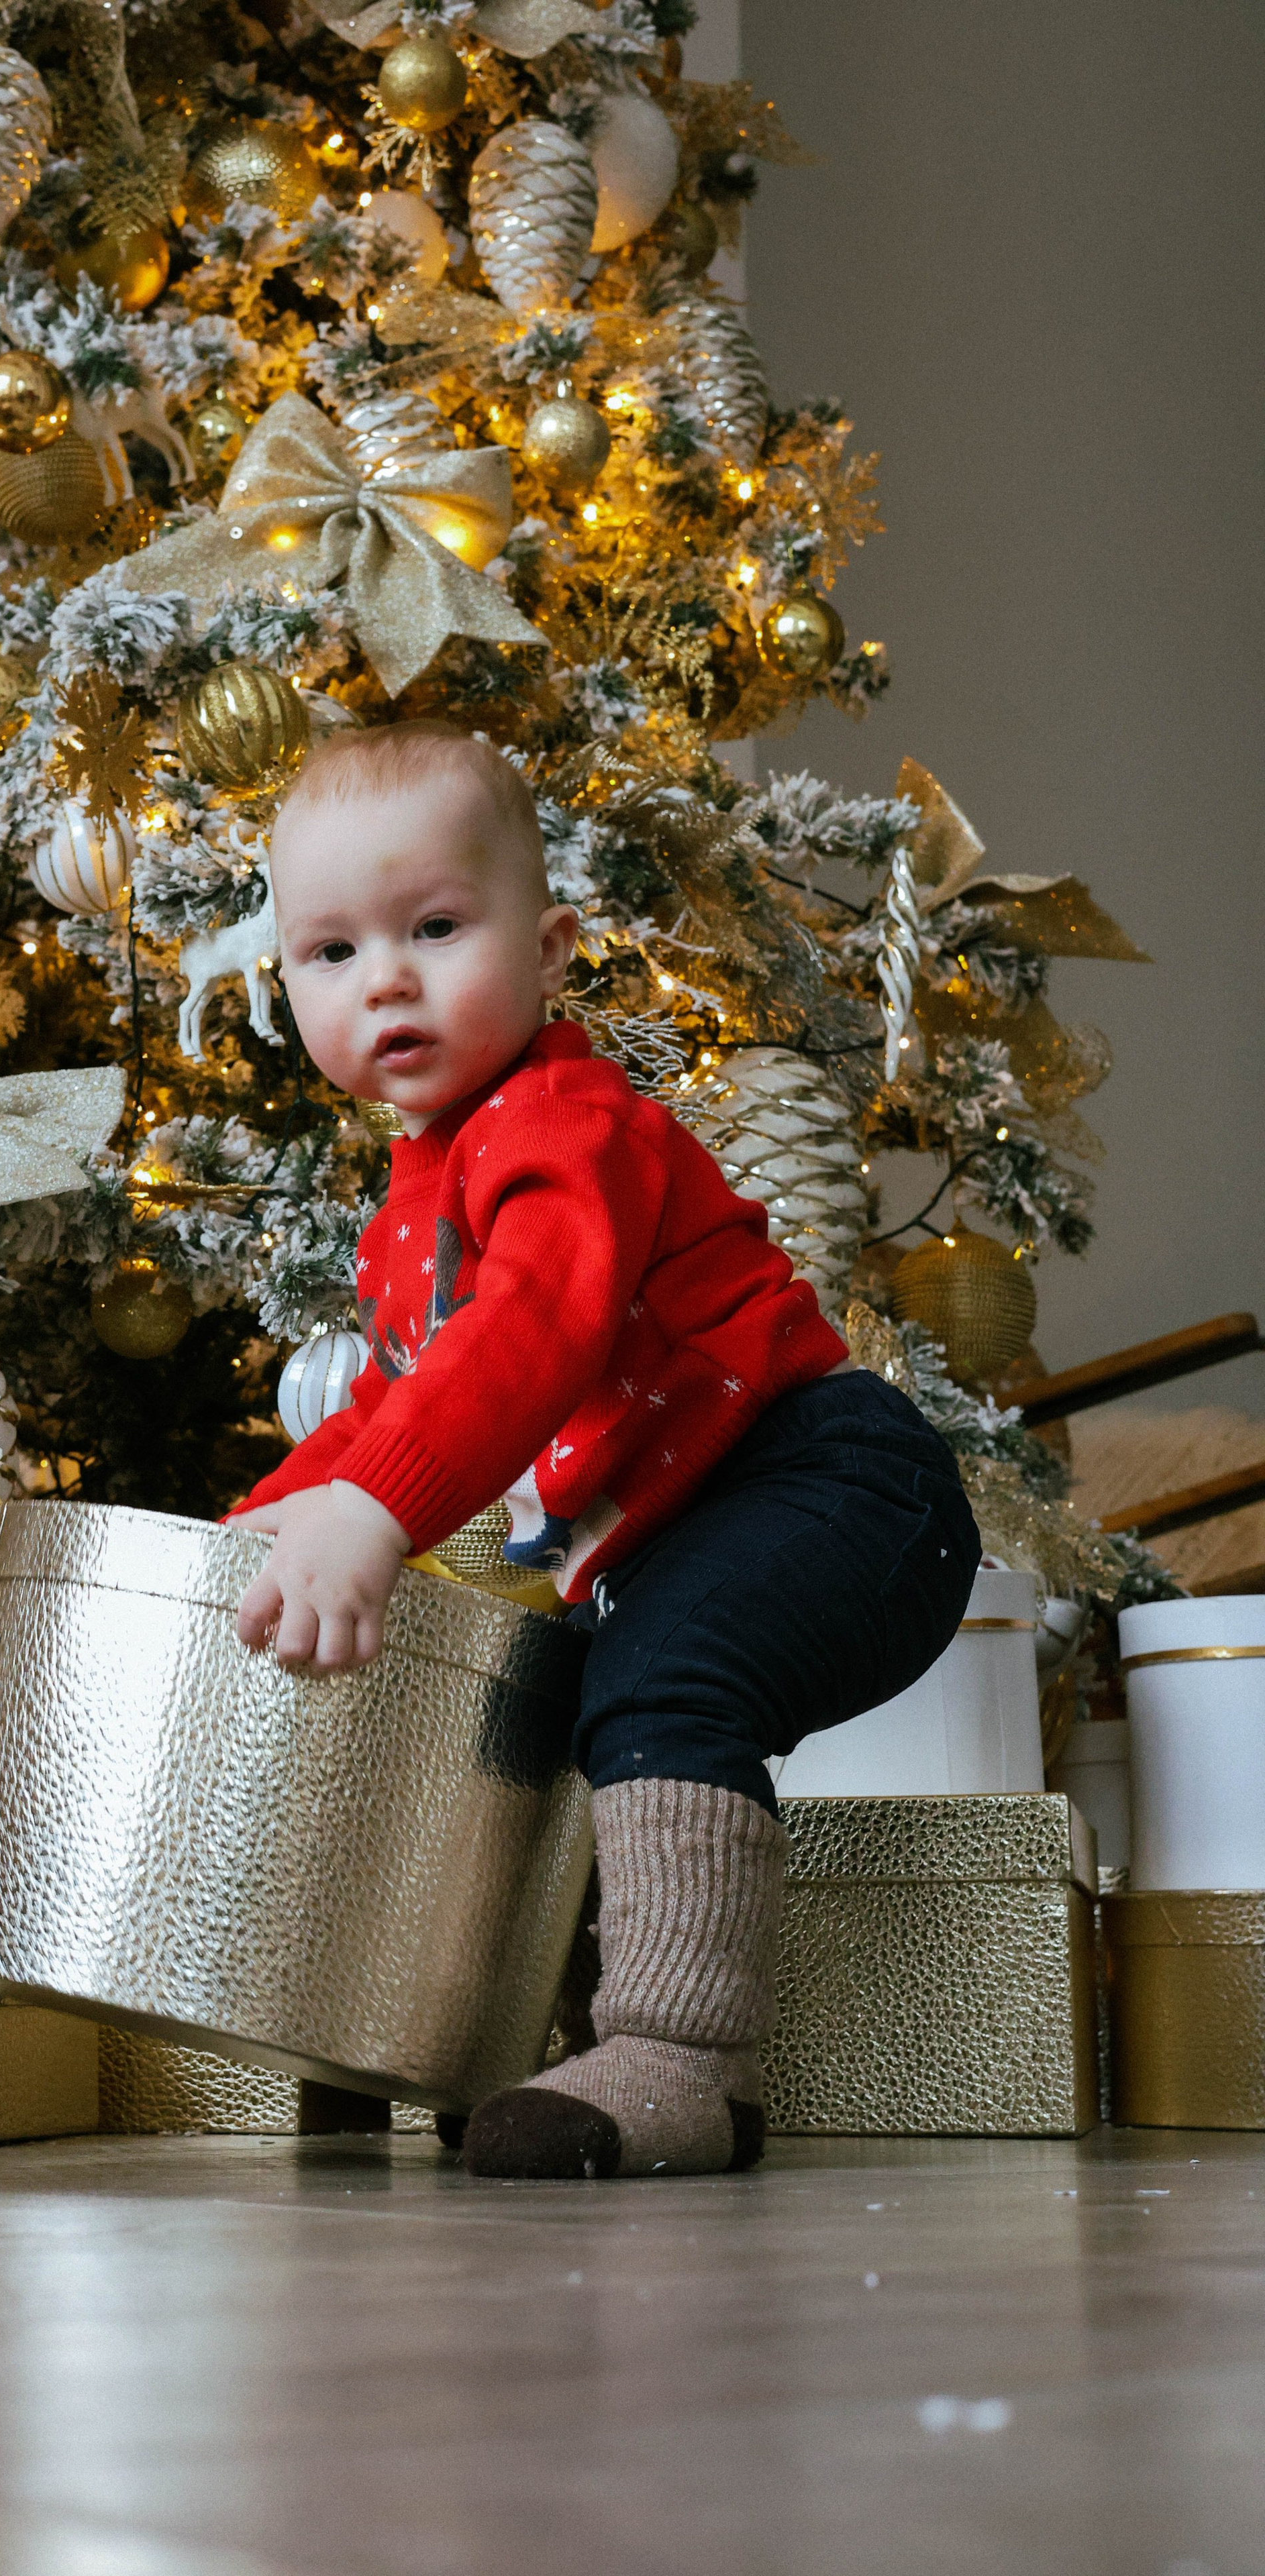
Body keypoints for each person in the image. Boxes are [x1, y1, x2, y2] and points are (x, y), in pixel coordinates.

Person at [227, 720, 980, 2182]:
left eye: (435, 928)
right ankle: (542, 2040)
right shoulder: (410, 1202)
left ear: (550, 945)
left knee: (662, 1679)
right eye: (329, 953)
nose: (384, 977)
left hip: (825, 1484)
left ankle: (678, 2058)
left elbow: (529, 1337)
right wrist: (256, 1529)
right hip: (693, 1523)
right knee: (550, 1701)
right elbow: (394, 1403)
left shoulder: (566, 1128)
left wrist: (372, 1513)